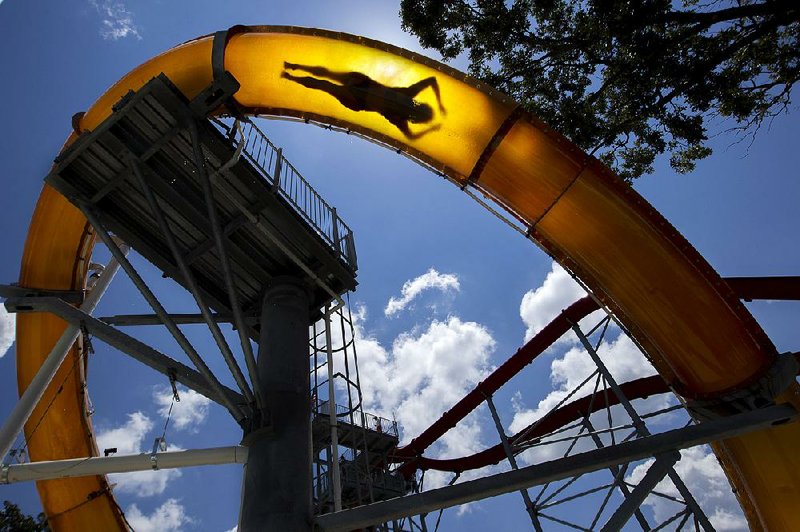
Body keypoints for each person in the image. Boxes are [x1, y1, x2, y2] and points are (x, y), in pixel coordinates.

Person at [282, 62, 446, 139]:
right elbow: (431, 80)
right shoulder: (408, 96)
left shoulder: (400, 118)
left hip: (358, 99)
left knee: (325, 84)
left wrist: (433, 124)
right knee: (327, 77)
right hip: (363, 85)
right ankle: (294, 69)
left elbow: (410, 136)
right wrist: (440, 105)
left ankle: (291, 76)